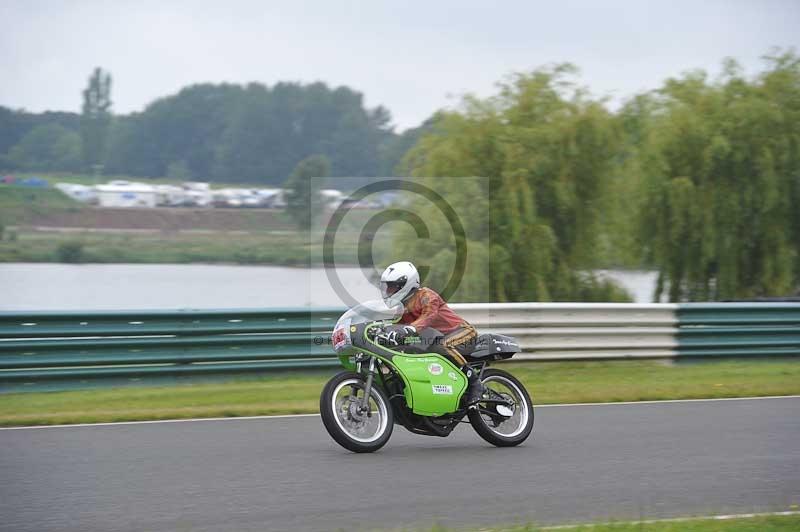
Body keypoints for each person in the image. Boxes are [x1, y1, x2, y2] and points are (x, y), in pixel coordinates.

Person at [378, 261, 485, 406]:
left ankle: (475, 383)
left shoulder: (426, 295)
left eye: (392, 286)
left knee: (442, 346)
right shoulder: (402, 308)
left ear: (405, 284)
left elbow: (429, 315)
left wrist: (411, 328)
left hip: (462, 332)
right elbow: (397, 326)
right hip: (435, 339)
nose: (388, 291)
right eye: (387, 287)